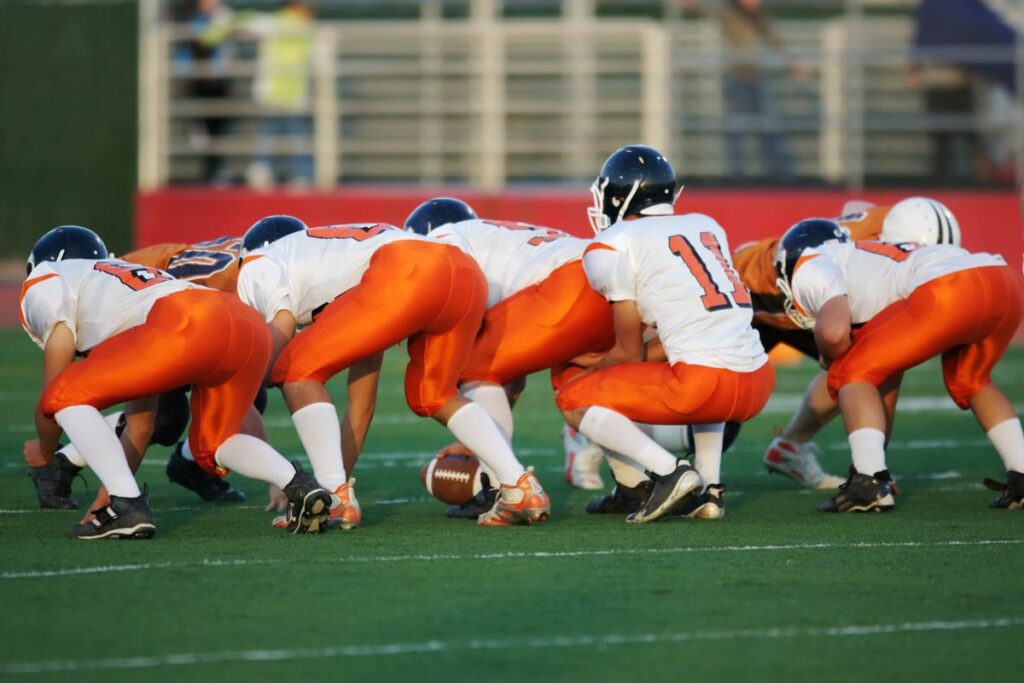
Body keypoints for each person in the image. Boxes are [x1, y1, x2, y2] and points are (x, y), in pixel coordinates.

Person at [236, 215, 550, 528]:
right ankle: (517, 486)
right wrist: (329, 491)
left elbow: (281, 333)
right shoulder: (340, 269)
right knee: (433, 395)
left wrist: (239, 381)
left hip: (405, 270)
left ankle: (336, 495)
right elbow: (361, 405)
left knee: (294, 370)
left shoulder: (258, 262)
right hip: (463, 270)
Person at [19, 225, 332, 538]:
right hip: (243, 322)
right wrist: (105, 501)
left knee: (63, 394)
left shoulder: (45, 280)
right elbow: (140, 428)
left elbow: (57, 385)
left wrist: (46, 452)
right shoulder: (118, 289)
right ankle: (298, 485)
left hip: (185, 321)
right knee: (215, 442)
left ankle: (125, 504)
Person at [556, 145, 775, 523]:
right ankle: (710, 489)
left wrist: (593, 363)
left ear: (618, 196)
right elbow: (696, 328)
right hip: (758, 382)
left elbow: (627, 354)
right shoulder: (707, 225)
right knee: (701, 352)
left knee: (573, 397)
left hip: (701, 386)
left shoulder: (612, 244)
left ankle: (670, 472)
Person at [775, 220, 1024, 512]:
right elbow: (883, 381)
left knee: (849, 371)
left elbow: (832, 333)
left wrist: (828, 357)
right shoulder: (868, 260)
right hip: (1003, 280)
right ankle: (1021, 476)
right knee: (972, 380)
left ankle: (869, 484)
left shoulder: (812, 262)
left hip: (947, 287)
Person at [730, 197, 961, 488]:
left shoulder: (891, 221)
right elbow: (834, 332)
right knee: (720, 400)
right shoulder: (883, 247)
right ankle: (867, 471)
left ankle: (801, 451)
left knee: (869, 365)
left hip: (804, 302)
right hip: (757, 292)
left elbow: (853, 206)